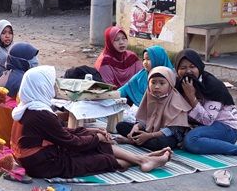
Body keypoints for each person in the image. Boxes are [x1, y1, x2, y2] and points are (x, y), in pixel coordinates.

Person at [11, 66, 171, 179]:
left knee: (91, 138)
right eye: (51, 84)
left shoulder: (29, 106)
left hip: (39, 156)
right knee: (101, 159)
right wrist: (96, 138)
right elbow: (70, 142)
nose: (54, 87)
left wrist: (93, 133)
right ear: (40, 86)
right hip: (41, 164)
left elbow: (61, 133)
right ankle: (142, 161)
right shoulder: (40, 114)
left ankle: (144, 159)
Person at [174, 49, 237, 160]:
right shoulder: (180, 84)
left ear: (199, 67)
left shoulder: (212, 86)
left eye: (192, 66)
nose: (188, 71)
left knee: (191, 140)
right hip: (204, 128)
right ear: (177, 70)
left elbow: (208, 120)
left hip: (227, 128)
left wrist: (191, 97)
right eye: (183, 68)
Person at [116, 67, 192, 151]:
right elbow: (144, 118)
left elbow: (172, 130)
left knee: (161, 143)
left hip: (168, 135)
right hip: (149, 130)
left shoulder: (176, 101)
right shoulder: (149, 96)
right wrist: (136, 126)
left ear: (170, 84)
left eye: (162, 83)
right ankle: (139, 139)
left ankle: (132, 141)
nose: (156, 87)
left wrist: (149, 136)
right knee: (120, 126)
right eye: (153, 82)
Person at [0, 42, 39, 144]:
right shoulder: (22, 81)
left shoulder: (6, 74)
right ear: (22, 61)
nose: (35, 61)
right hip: (4, 141)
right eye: (32, 58)